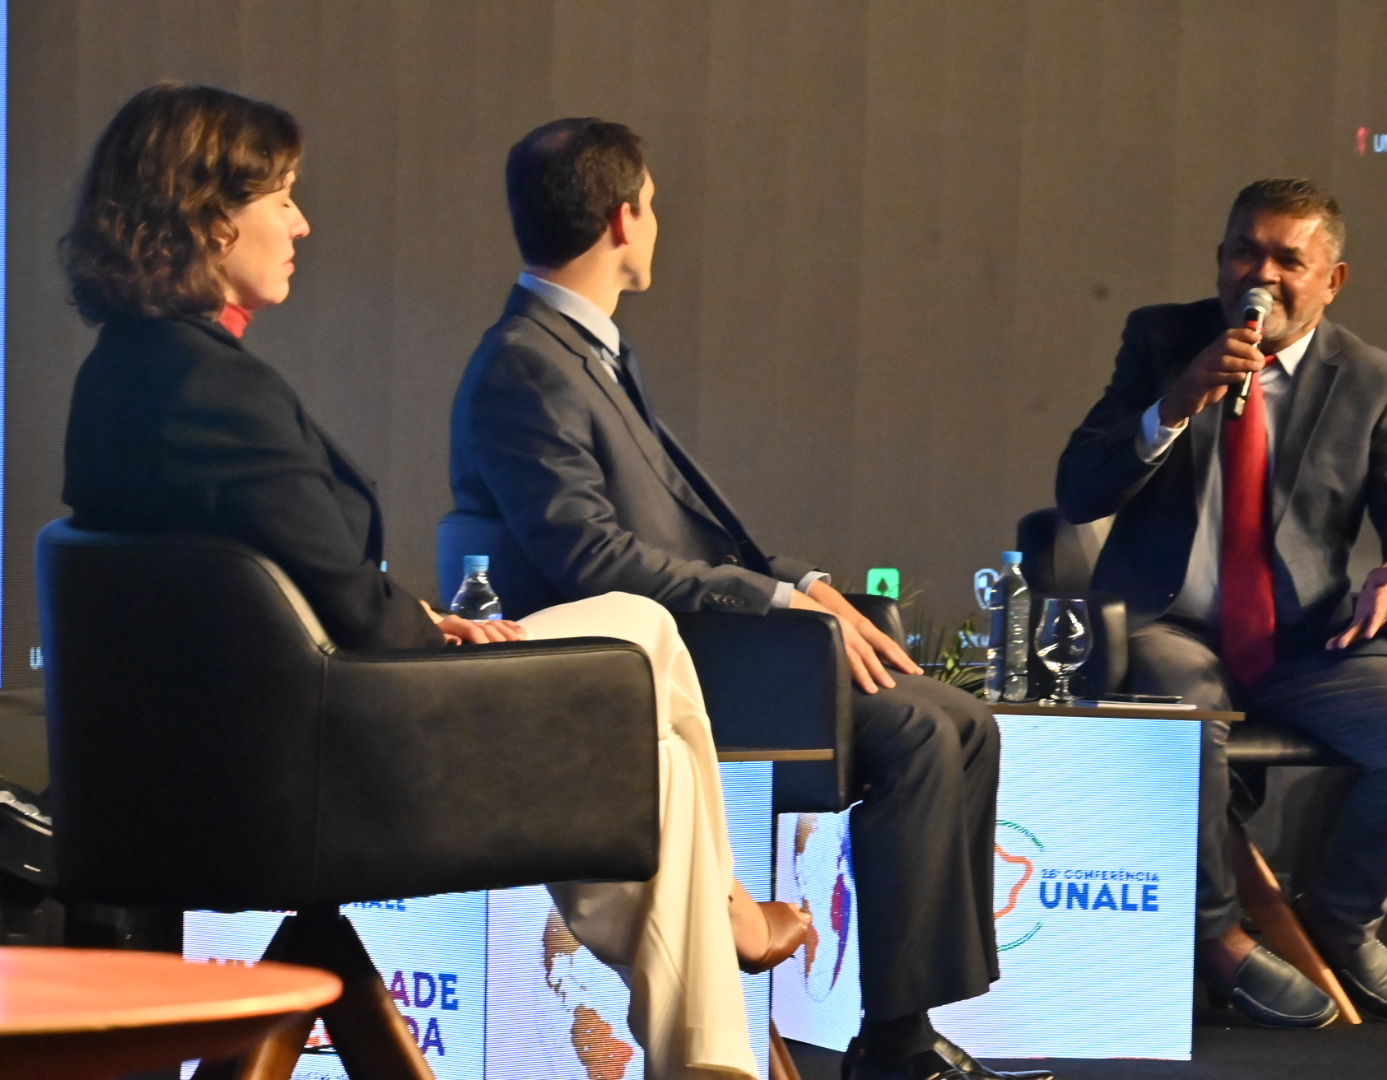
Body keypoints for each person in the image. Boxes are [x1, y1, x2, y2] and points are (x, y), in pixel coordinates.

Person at [58, 83, 803, 1080]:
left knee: (639, 653)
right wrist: (428, 635)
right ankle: (719, 976)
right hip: (323, 765)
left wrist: (420, 621)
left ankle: (715, 1003)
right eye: (282, 198)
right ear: (208, 215)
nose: (301, 224)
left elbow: (285, 582)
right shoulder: (207, 388)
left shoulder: (129, 373)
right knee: (640, 649)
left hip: (260, 748)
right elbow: (330, 598)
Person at [446, 118, 1044, 1080]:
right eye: (651, 204)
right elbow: (592, 559)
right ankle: (895, 1045)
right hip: (643, 675)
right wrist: (774, 603)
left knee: (964, 722)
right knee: (920, 733)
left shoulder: (586, 352)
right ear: (622, 219)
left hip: (709, 643)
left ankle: (905, 1029)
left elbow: (682, 527)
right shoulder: (527, 363)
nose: (656, 222)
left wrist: (803, 586)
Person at [1057, 178, 1387, 1027]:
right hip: (1170, 622)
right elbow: (1078, 490)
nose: (1263, 276)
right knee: (1185, 710)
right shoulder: (1163, 339)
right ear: (1220, 261)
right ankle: (1218, 938)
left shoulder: (1377, 383)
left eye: (1290, 260)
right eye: (1246, 253)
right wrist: (1173, 405)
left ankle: (1339, 920)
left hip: (1307, 638)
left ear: (1333, 280)